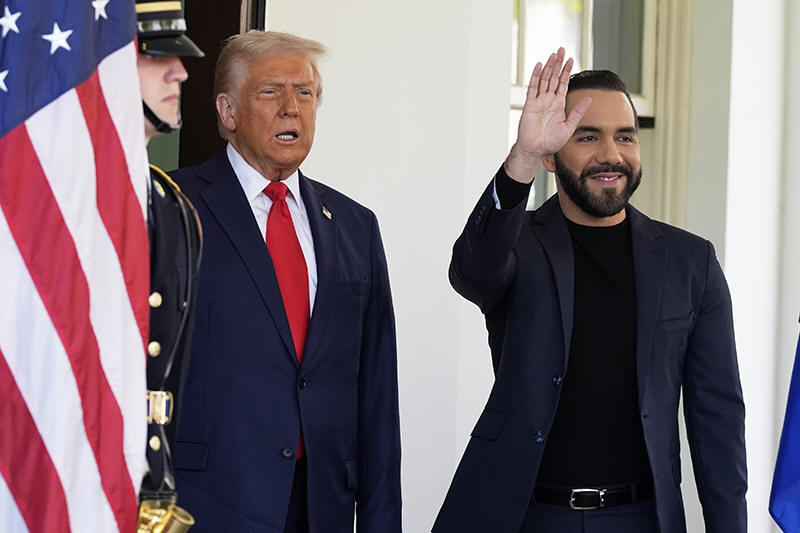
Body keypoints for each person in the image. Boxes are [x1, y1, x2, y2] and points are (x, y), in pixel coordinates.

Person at [433, 48, 746, 533]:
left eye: (625, 136)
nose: (611, 155)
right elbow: (471, 273)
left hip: (641, 519)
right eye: (587, 136)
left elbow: (717, 420)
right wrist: (522, 158)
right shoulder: (517, 243)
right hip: (524, 516)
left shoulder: (691, 262)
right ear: (552, 155)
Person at [169, 30, 401, 533]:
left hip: (322, 507)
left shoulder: (355, 225)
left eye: (306, 93)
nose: (292, 108)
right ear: (228, 111)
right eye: (271, 91)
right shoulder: (172, 207)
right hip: (207, 504)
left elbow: (377, 395)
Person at [134, 0, 204, 529]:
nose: (179, 71)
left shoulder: (170, 204)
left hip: (148, 483)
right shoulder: (51, 204)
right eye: (155, 57)